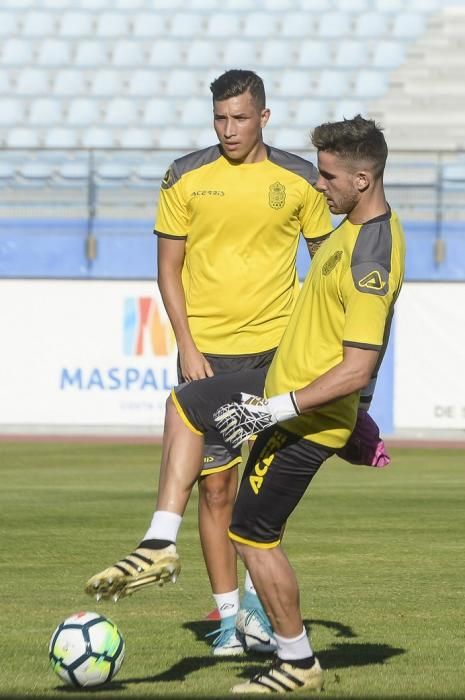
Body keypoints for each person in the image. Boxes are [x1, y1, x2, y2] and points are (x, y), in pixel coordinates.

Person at [85, 114, 405, 693]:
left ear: (362, 180)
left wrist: (277, 409)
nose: (319, 185)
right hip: (278, 390)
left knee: (254, 535)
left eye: (328, 177)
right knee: (186, 403)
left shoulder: (372, 257)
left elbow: (357, 366)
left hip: (306, 420)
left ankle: (298, 662)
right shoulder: (347, 232)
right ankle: (160, 540)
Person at [152, 68, 333, 655]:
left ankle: (261, 612)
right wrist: (185, 343)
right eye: (220, 118)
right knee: (217, 489)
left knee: (261, 489)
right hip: (208, 356)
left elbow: (326, 269)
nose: (228, 129)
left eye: (239, 118)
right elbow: (168, 268)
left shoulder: (301, 180)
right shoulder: (185, 175)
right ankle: (229, 621)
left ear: (264, 117)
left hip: (276, 356)